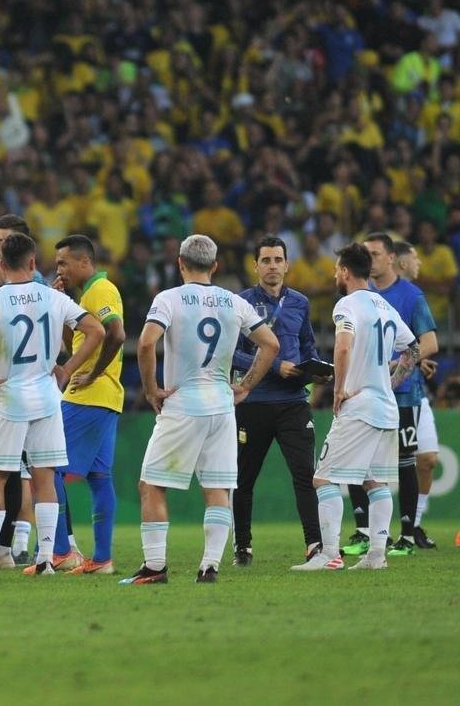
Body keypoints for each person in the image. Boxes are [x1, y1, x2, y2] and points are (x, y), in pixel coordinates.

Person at [122, 235, 279, 585]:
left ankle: (155, 567)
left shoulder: (168, 299)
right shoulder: (233, 301)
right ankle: (209, 566)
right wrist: (247, 385)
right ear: (216, 266)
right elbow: (270, 344)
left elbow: (147, 342)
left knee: (151, 485)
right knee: (218, 489)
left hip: (183, 403)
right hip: (222, 405)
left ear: (180, 263)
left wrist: (151, 390)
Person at [0, 232, 106, 577]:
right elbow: (96, 331)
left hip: (10, 398)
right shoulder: (53, 297)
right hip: (47, 398)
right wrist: (66, 368)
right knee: (44, 478)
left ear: (1, 263)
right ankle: (45, 560)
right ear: (33, 263)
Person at [294, 243, 419, 572]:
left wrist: (339, 389)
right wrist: (388, 384)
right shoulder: (385, 306)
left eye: (337, 269)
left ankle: (330, 554)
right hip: (385, 407)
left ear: (346, 272)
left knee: (323, 479)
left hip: (359, 406)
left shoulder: (346, 305)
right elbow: (413, 350)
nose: (336, 274)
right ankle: (377, 555)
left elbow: (344, 344)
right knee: (375, 482)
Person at [342, 234, 438, 557]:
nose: (369, 260)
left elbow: (429, 343)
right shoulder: (359, 295)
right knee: (357, 460)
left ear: (392, 258)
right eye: (365, 255)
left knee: (405, 462)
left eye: (375, 254)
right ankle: (363, 532)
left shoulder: (410, 296)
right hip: (365, 391)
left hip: (403, 393)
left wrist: (394, 367)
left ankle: (407, 535)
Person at [230, 237, 324, 566]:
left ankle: (314, 543)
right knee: (243, 478)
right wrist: (274, 365)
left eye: (277, 259)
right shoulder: (239, 302)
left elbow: (307, 345)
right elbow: (233, 352)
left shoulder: (299, 302)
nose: (272, 266)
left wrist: (316, 369)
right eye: (266, 260)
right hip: (254, 399)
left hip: (293, 401)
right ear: (255, 266)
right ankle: (243, 546)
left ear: (287, 265)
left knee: (305, 474)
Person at [47, 234, 128, 576]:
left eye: (64, 262)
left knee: (48, 468)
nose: (59, 269)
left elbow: (118, 333)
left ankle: (62, 551)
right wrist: (63, 304)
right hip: (106, 398)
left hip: (88, 396)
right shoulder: (86, 295)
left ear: (84, 262)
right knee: (98, 477)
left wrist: (93, 372)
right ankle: (101, 559)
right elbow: (75, 344)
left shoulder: (101, 290)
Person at [391, 241, 441, 548]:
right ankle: (370, 530)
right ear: (403, 262)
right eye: (416, 256)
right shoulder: (379, 296)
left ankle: (416, 524)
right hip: (390, 391)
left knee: (428, 459)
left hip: (415, 390)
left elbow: (423, 342)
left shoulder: (413, 297)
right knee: (388, 465)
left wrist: (416, 359)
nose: (420, 262)